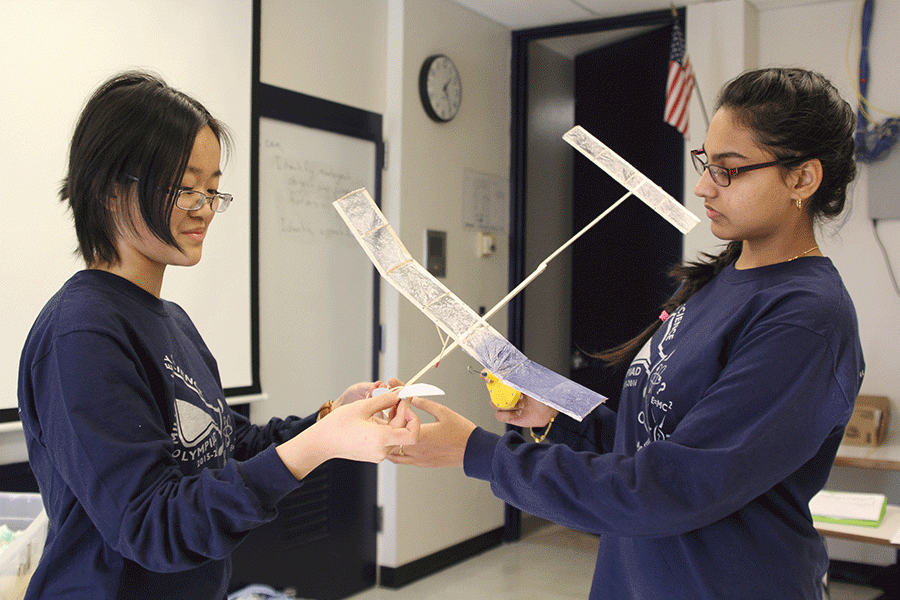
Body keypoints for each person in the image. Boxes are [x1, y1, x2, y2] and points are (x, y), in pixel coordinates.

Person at [391, 67, 864, 599]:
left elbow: (668, 489)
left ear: (802, 178)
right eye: (706, 163)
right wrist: (555, 412)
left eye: (730, 170)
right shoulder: (719, 284)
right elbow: (647, 443)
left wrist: (477, 452)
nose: (704, 185)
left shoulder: (804, 318)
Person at [17, 71, 418, 600]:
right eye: (184, 187)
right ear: (112, 191)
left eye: (212, 188)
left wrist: (330, 417)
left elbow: (224, 444)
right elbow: (152, 526)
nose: (204, 207)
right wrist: (322, 443)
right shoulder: (81, 333)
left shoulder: (171, 319)